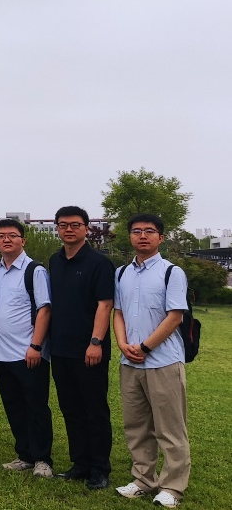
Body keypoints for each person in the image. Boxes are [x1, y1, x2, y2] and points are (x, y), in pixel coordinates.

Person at [113, 213, 191, 508]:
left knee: (170, 428)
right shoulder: (121, 273)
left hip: (164, 362)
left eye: (149, 231)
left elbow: (175, 317)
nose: (142, 235)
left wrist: (146, 346)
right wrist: (122, 344)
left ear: (161, 237)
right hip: (130, 362)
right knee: (136, 426)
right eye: (136, 231)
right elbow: (118, 312)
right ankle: (143, 479)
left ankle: (173, 487)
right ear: (130, 236)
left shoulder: (172, 272)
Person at [48, 205, 115, 490]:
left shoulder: (99, 263)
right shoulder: (54, 261)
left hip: (90, 349)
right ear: (57, 228)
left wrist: (95, 342)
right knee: (71, 408)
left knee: (94, 410)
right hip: (60, 348)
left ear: (86, 228)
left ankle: (99, 468)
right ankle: (80, 463)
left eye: (75, 225)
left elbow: (105, 304)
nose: (69, 229)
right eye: (63, 225)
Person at [0, 219, 53, 478]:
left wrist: (36, 345)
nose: (7, 240)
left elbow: (44, 309)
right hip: (1, 354)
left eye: (12, 235)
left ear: (22, 240)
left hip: (29, 353)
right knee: (13, 406)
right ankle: (24, 455)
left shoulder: (34, 271)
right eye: (1, 236)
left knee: (36, 407)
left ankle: (42, 459)